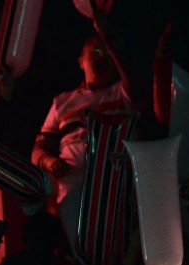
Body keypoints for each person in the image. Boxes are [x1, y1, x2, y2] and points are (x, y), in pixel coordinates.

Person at [31, 35, 132, 245]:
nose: (102, 57)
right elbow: (38, 149)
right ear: (81, 61)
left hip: (112, 177)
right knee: (80, 244)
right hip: (72, 184)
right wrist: (49, 161)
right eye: (96, 52)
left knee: (113, 240)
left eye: (108, 53)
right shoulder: (62, 102)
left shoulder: (123, 92)